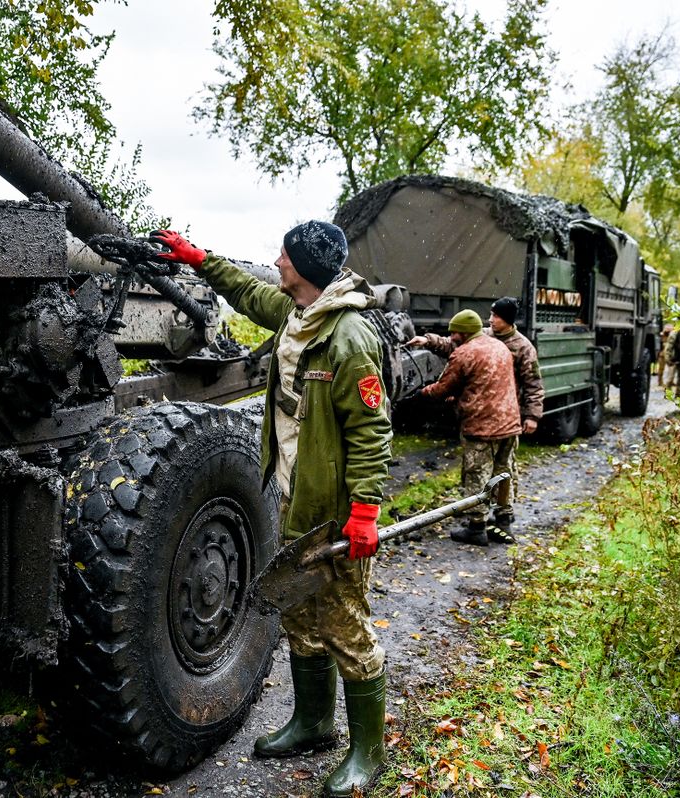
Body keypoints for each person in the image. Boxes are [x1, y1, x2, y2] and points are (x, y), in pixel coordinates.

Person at [151, 222, 392, 796]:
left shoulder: (349, 338)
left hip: (334, 512)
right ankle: (313, 722)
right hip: (294, 496)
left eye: (282, 256)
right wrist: (199, 259)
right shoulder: (299, 314)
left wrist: (365, 512)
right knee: (300, 616)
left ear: (305, 267)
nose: (275, 262)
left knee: (345, 625)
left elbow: (371, 431)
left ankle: (368, 752)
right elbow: (249, 293)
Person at [407, 297, 541, 541]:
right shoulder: (494, 343)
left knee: (477, 473)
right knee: (505, 472)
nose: (491, 320)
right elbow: (460, 353)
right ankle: (503, 522)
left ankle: (477, 526)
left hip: (482, 424)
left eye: (496, 316)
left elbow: (444, 386)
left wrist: (419, 396)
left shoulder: (520, 347)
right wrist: (428, 340)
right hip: (509, 421)